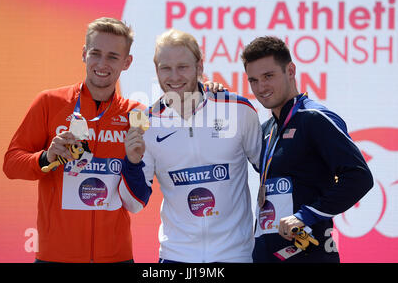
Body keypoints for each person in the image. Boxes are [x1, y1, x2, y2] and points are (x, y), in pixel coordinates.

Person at [3, 17, 152, 263]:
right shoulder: (50, 102)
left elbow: (178, 117)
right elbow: (11, 163)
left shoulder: (136, 114)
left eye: (113, 56)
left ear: (127, 63)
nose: (102, 64)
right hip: (56, 256)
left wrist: (210, 92)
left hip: (116, 256)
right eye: (96, 53)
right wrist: (47, 157)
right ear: (84, 54)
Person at [125, 29, 263, 262]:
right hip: (175, 256)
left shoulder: (238, 110)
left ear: (199, 67)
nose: (174, 76)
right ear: (156, 70)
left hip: (235, 255)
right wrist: (132, 162)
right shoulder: (147, 124)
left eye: (183, 67)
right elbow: (134, 204)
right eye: (165, 68)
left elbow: (269, 169)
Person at [241, 35, 374, 263]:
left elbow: (359, 177)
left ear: (290, 71)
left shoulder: (314, 118)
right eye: (253, 80)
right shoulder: (265, 130)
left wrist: (306, 215)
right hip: (266, 254)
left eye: (268, 76)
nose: (261, 87)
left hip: (310, 254)